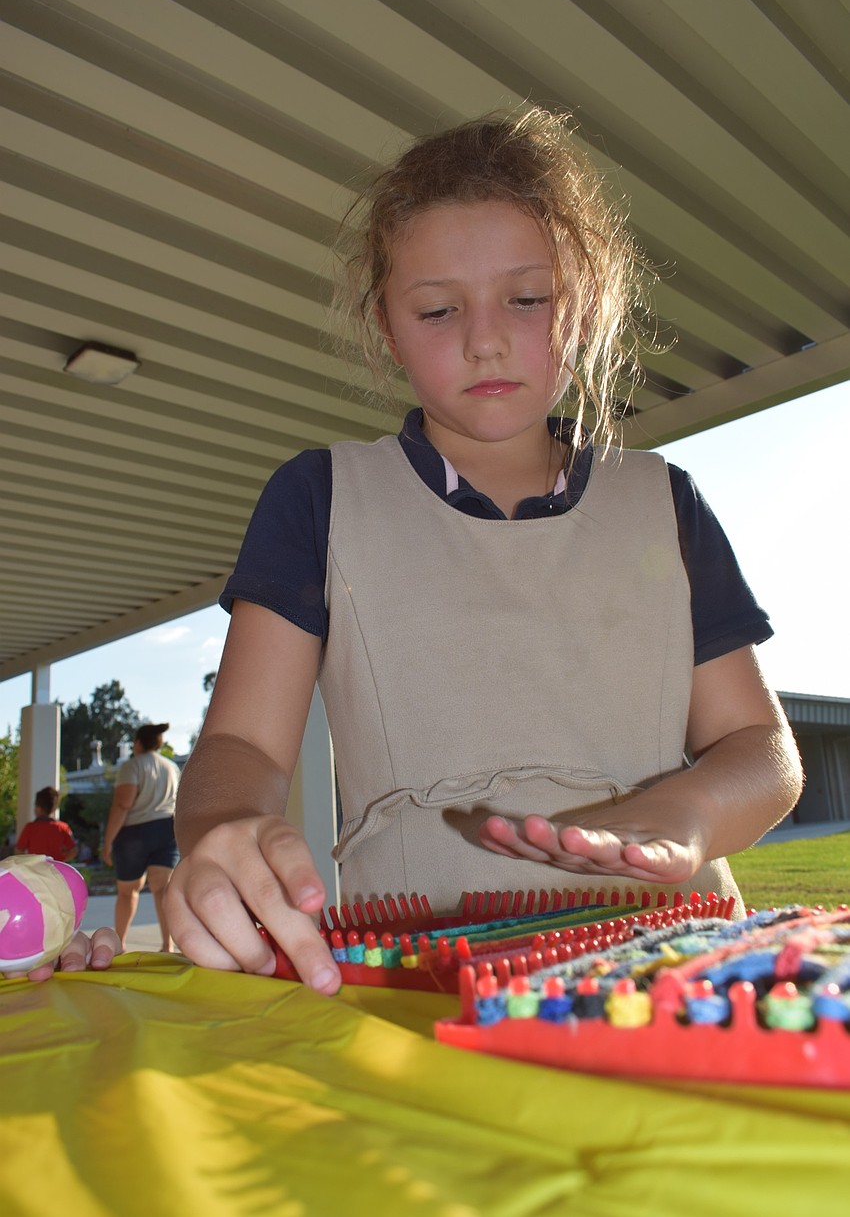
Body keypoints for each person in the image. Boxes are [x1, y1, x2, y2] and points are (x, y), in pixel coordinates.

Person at [164, 106, 802, 993]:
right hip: (423, 978)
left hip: (675, 971)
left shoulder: (665, 501)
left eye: (527, 298)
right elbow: (243, 741)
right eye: (437, 309)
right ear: (386, 327)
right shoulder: (320, 497)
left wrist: (686, 810)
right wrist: (223, 826)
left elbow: (761, 748)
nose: (485, 337)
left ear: (581, 306)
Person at [103, 722, 180, 952]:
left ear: (137, 743)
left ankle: (120, 944)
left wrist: (107, 842)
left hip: (134, 833)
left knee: (128, 891)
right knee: (163, 890)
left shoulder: (132, 766)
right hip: (167, 830)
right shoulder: (171, 767)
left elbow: (122, 804)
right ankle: (168, 945)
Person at [16, 787, 78, 863]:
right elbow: (73, 851)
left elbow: (19, 850)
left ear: (38, 808)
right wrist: (60, 860)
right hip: (54, 871)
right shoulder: (62, 827)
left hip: (35, 870)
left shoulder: (30, 828)